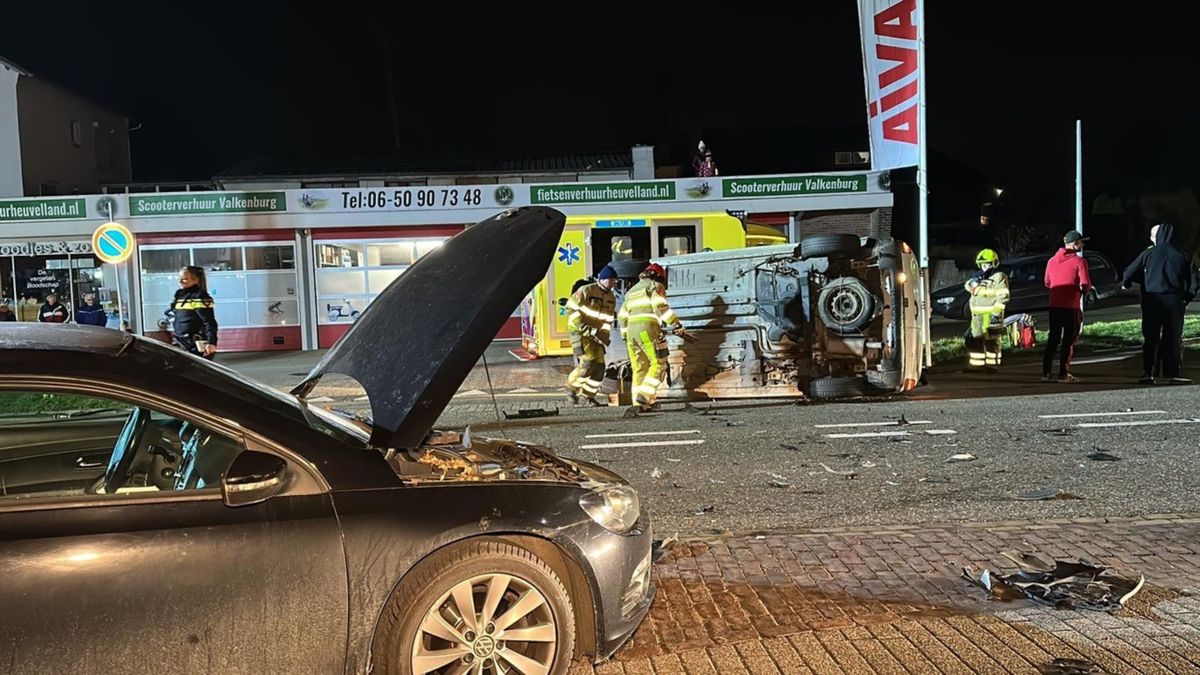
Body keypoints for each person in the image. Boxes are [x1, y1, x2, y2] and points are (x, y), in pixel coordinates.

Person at [1122, 223, 1195, 385]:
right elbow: (1194, 281)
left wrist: (1129, 283)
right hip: (1174, 301)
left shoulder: (1148, 254)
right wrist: (1186, 298)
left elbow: (1129, 272)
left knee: (1151, 337)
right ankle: (1172, 372)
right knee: (1173, 337)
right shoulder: (1182, 255)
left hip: (1152, 300)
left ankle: (1149, 372)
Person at [618, 262, 683, 415]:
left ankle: (640, 404)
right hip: (647, 329)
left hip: (631, 334)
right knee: (658, 364)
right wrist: (676, 323)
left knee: (640, 367)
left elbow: (622, 316)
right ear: (658, 277)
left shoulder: (631, 291)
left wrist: (624, 334)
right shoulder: (655, 286)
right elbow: (660, 307)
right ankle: (644, 397)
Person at [564, 265, 618, 406]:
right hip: (580, 333)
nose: (612, 284)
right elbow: (571, 308)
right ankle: (571, 388)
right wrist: (584, 327)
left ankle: (588, 396)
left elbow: (608, 320)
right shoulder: (586, 290)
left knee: (600, 368)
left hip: (596, 336)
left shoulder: (611, 297)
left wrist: (604, 336)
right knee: (588, 362)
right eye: (610, 280)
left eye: (614, 281)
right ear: (602, 279)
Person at [1042, 231, 1092, 382]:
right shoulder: (1079, 262)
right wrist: (1083, 291)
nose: (1083, 245)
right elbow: (1085, 284)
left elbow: (1047, 282)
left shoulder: (1051, 261)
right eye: (1081, 242)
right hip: (1071, 306)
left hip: (1054, 305)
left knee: (1053, 338)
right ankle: (1063, 374)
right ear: (1075, 243)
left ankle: (1046, 372)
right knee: (1068, 341)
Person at [964, 248, 1010, 371]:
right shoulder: (979, 278)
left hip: (991, 316)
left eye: (987, 264)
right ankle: (977, 366)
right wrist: (973, 282)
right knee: (975, 341)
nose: (985, 267)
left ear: (993, 264)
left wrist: (996, 314)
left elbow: (1003, 297)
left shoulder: (999, 277)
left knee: (992, 341)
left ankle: (992, 365)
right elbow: (968, 287)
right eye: (982, 265)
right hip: (977, 317)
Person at [164, 266, 218, 359]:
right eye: (180, 279)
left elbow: (209, 321)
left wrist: (211, 342)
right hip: (182, 343)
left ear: (196, 280)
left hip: (195, 345)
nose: (181, 281)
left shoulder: (199, 296)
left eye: (185, 279)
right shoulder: (180, 295)